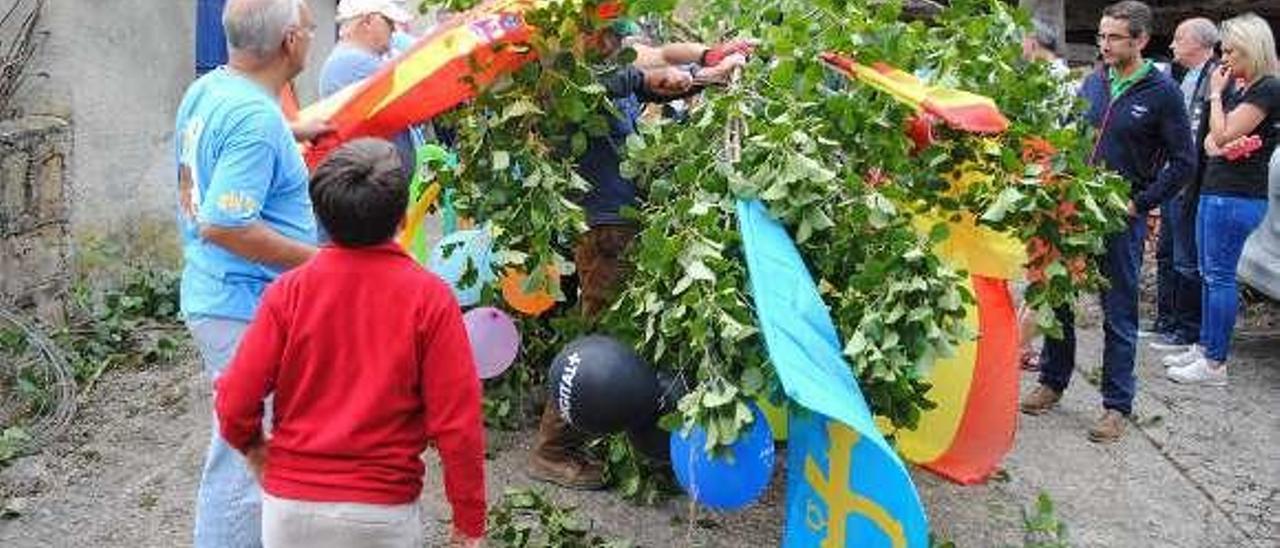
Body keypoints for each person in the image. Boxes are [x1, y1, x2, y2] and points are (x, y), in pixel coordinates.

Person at [214, 138, 486, 547]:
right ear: (403, 217)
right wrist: (469, 519)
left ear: (320, 213)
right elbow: (457, 423)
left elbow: (235, 398)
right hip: (383, 513)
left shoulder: (289, 292)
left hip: (290, 510)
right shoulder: (430, 298)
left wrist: (255, 450)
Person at [528, 19, 747, 489]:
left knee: (625, 332)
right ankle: (552, 449)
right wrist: (649, 78)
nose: (616, 42)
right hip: (604, 225)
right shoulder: (559, 75)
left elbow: (653, 75)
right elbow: (616, 85)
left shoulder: (611, 64)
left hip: (624, 218)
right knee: (601, 339)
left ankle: (612, 424)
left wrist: (708, 70)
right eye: (606, 32)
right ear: (578, 32)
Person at [175, 1, 323, 545]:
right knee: (245, 452)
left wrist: (296, 131)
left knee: (246, 438)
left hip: (218, 293)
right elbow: (224, 224)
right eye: (307, 28)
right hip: (241, 304)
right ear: (289, 42)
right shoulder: (255, 121)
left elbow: (235, 137)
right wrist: (325, 263)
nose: (310, 35)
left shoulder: (213, 88)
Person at [1020, 1, 1195, 443]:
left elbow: (1183, 162)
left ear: (1140, 40)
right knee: (1057, 296)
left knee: (1118, 311)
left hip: (1119, 219)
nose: (1104, 44)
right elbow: (1068, 135)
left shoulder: (1163, 93)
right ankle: (1052, 380)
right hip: (1072, 210)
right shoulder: (1094, 81)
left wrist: (1141, 203)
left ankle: (1116, 406)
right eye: (1101, 35)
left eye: (1114, 37)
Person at [1166, 13, 1280, 386]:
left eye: (1231, 50)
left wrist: (1216, 95)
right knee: (1207, 271)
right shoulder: (1248, 87)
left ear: (1252, 48)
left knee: (1219, 276)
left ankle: (1215, 362)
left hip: (1236, 194)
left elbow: (1223, 133)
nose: (1225, 58)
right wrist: (1221, 140)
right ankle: (1204, 347)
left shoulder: (1266, 88)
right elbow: (1212, 143)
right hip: (1218, 188)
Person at [1148, 17, 1220, 353]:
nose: (1172, 44)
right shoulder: (1182, 75)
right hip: (1171, 177)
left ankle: (1187, 328)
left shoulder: (1215, 77)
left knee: (1185, 257)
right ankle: (1166, 321)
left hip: (1191, 181)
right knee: (1165, 253)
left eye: (1179, 38)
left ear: (1200, 44)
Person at [319, 0, 417, 170]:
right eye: (389, 22)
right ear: (368, 21)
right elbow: (412, 99)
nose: (394, 30)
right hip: (374, 181)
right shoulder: (352, 61)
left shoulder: (354, 59)